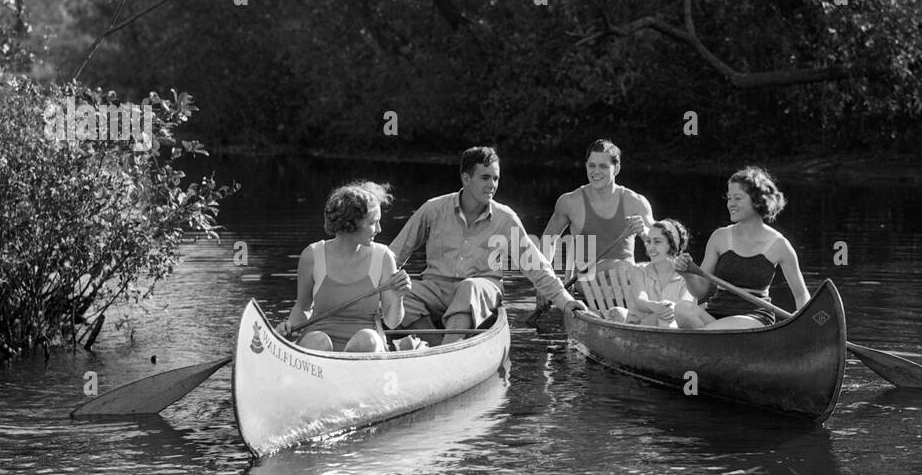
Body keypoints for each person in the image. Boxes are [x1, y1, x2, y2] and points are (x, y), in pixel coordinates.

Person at [389, 146, 587, 332]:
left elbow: (535, 265)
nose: (492, 185)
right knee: (397, 294)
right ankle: (434, 345)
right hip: (435, 289)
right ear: (466, 179)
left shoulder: (505, 218)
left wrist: (565, 301)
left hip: (481, 289)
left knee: (469, 288)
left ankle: (450, 344)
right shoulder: (433, 209)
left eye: (496, 178)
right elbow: (394, 255)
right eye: (485, 178)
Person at [277, 181, 412, 352]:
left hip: (366, 347)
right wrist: (289, 329)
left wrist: (399, 296)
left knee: (367, 339)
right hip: (318, 344)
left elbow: (392, 322)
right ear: (352, 223)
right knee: (317, 341)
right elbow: (302, 307)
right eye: (373, 222)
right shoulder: (311, 255)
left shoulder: (384, 257)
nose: (379, 229)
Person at [672, 166, 811, 330]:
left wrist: (804, 319)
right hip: (714, 313)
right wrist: (688, 275)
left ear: (757, 200)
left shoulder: (779, 245)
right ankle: (715, 341)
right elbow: (700, 291)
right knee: (682, 309)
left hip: (753, 318)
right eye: (729, 198)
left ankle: (707, 338)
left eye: (737, 198)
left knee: (710, 331)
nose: (731, 204)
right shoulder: (720, 237)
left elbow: (801, 295)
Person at [540, 138, 654, 277]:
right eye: (591, 166)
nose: (596, 171)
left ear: (616, 169)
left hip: (626, 282)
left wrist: (645, 232)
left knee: (624, 269)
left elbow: (660, 244)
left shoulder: (636, 202)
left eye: (603, 166)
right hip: (585, 283)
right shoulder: (569, 202)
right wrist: (545, 281)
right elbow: (547, 242)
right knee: (617, 268)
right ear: (586, 166)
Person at [602, 219, 700, 329]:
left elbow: (685, 307)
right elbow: (640, 301)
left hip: (676, 330)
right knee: (662, 317)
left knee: (666, 317)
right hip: (640, 329)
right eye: (648, 241)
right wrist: (657, 307)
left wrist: (669, 308)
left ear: (673, 245)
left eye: (657, 242)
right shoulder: (639, 270)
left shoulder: (687, 275)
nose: (650, 247)